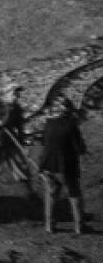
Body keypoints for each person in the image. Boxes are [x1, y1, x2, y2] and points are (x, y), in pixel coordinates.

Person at [38, 98, 89, 235]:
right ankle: (79, 226)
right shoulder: (71, 125)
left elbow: (44, 142)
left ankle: (50, 225)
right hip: (65, 167)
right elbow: (79, 148)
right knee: (74, 195)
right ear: (69, 110)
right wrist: (83, 150)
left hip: (47, 165)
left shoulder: (48, 123)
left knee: (51, 196)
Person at [0, 84, 34, 201]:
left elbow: (20, 125)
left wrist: (22, 140)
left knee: (20, 164)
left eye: (18, 94)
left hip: (11, 140)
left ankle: (30, 192)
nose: (17, 96)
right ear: (6, 95)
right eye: (14, 93)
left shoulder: (17, 108)